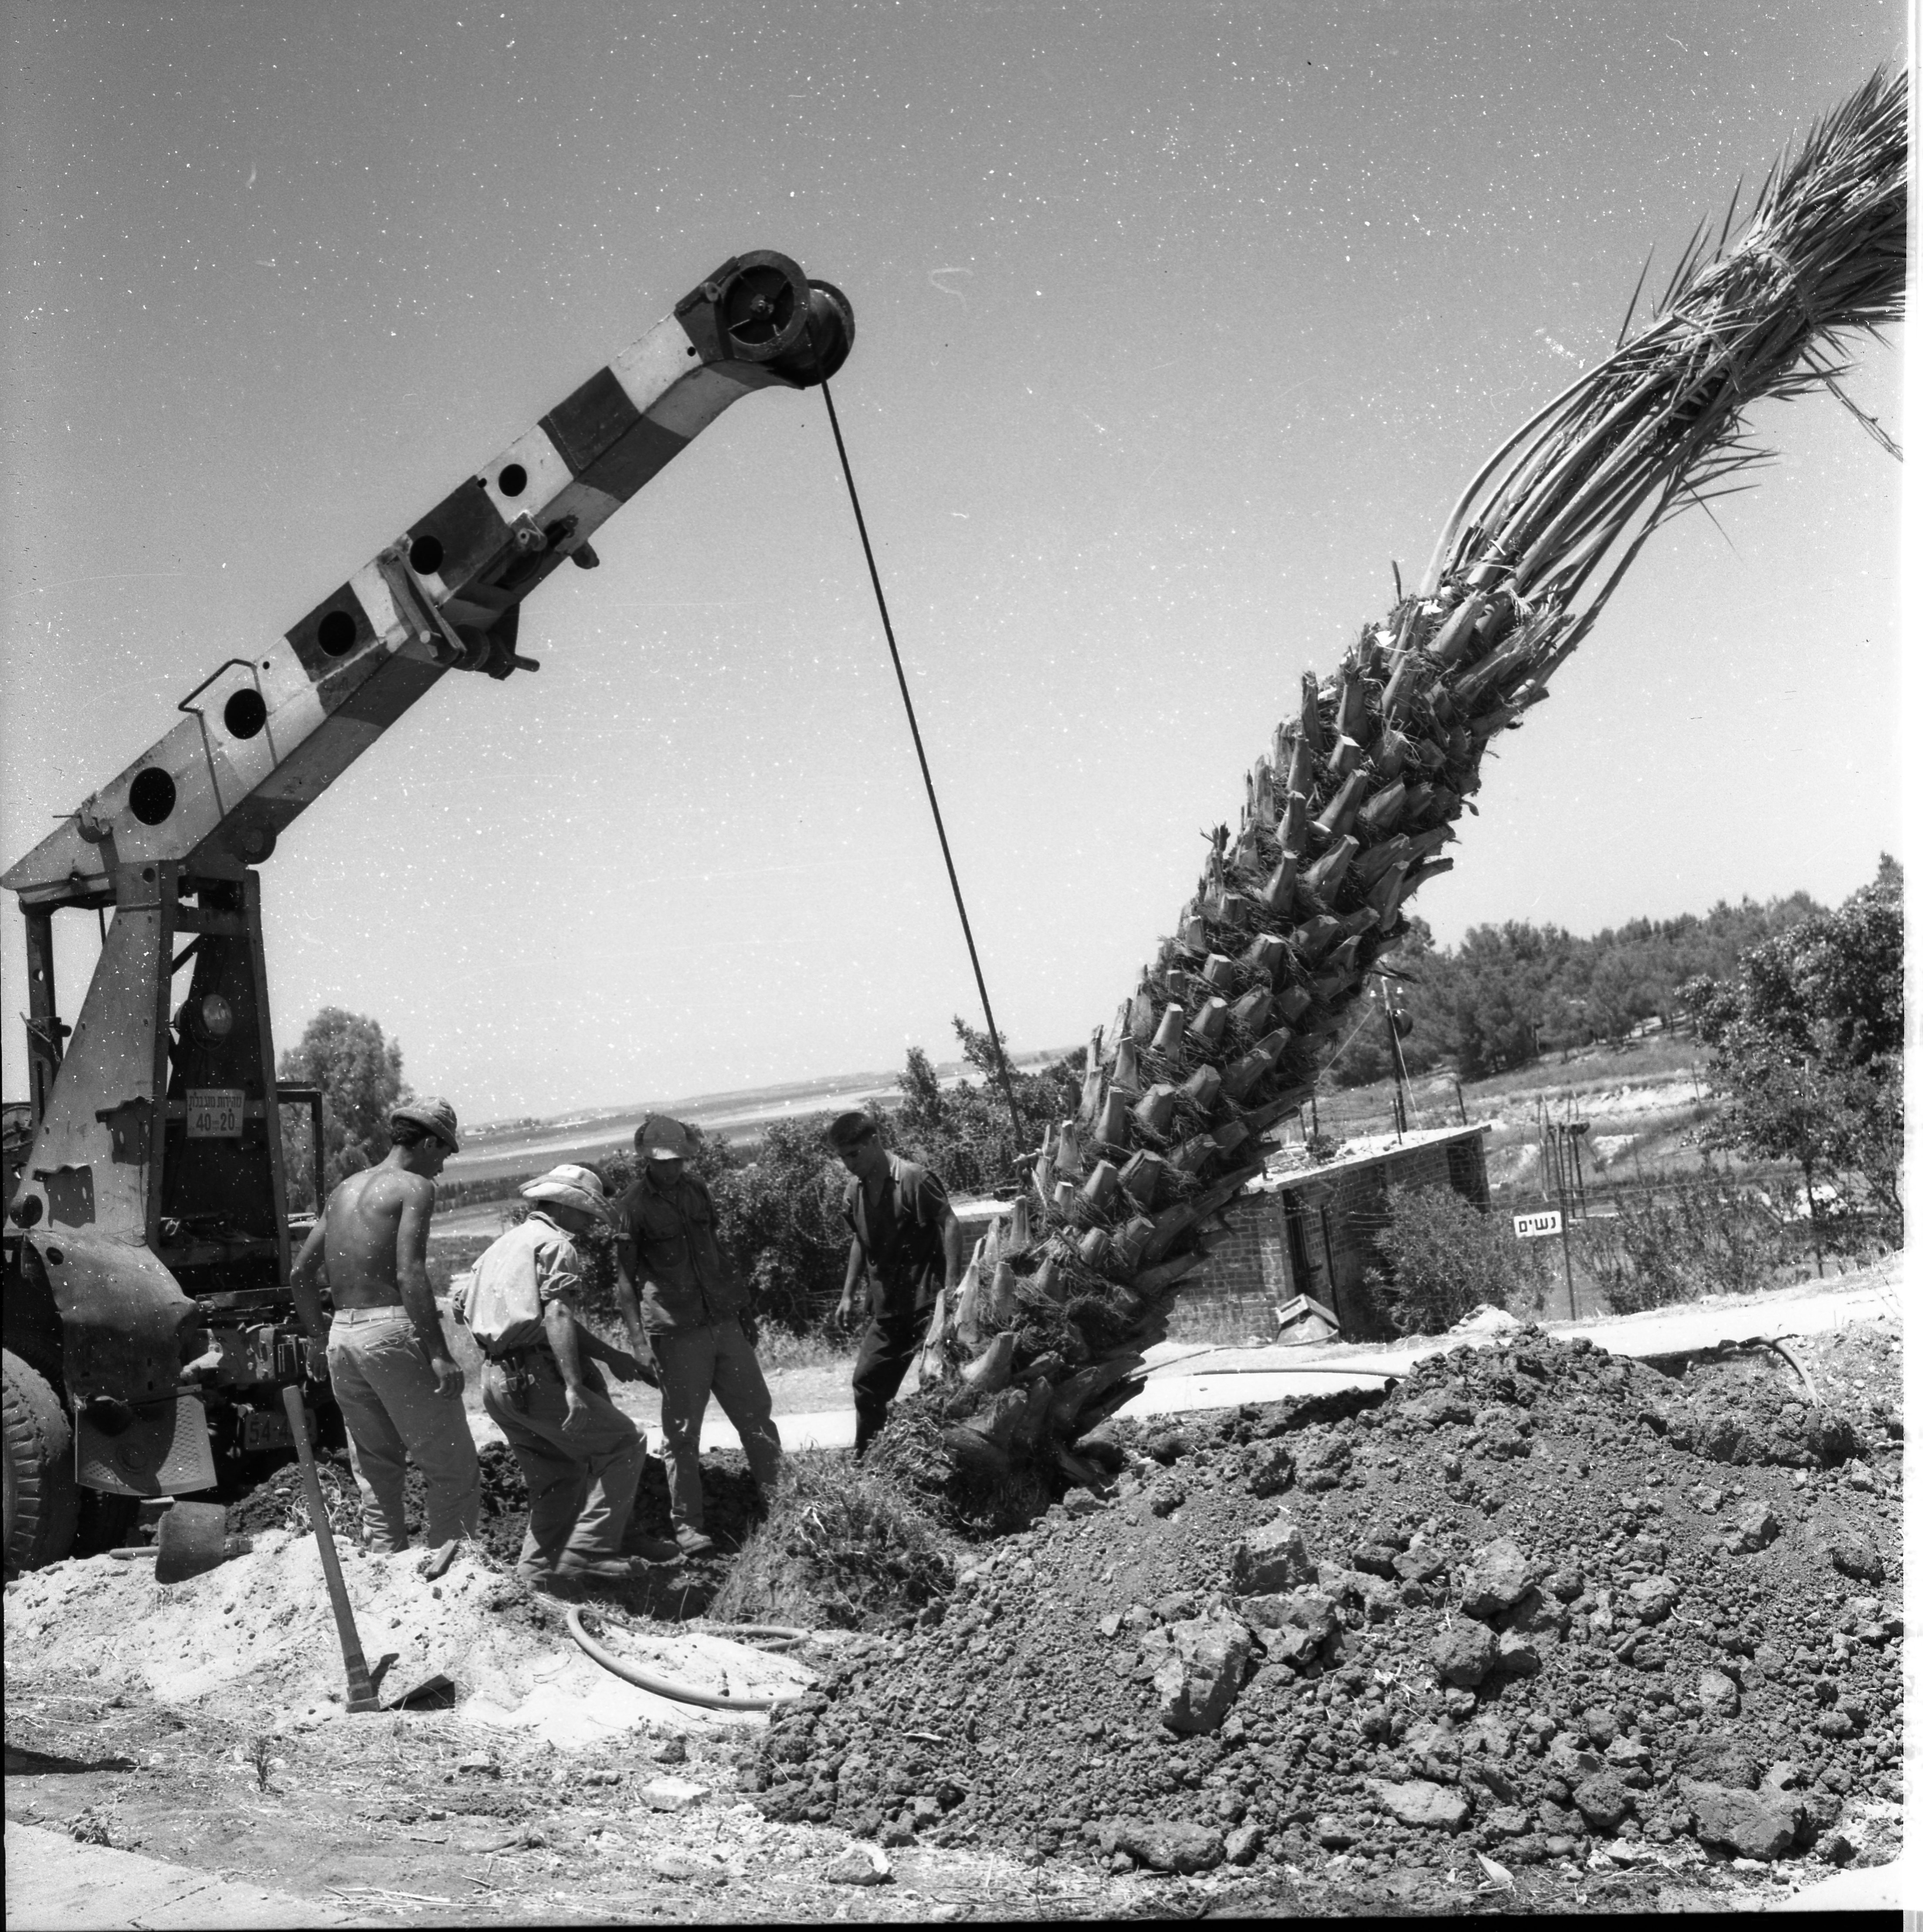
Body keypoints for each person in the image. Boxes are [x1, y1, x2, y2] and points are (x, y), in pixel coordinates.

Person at [458, 1163, 677, 1586]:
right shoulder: (556, 1245)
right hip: (538, 1378)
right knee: (626, 1443)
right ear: (564, 1205)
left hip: (497, 1379)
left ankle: (535, 1579)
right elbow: (558, 1312)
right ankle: (589, 1552)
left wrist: (610, 1354)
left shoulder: (503, 1246)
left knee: (557, 1478)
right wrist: (574, 1386)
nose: (590, 1222)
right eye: (586, 1213)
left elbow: (464, 1306)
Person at [288, 1097, 480, 1578]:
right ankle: (453, 1584)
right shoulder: (414, 1187)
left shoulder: (344, 1190)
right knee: (453, 1469)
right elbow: (410, 1271)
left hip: (343, 1337)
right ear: (430, 1141)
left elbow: (300, 1274)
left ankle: (387, 1578)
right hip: (390, 1332)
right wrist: (439, 1353)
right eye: (445, 1151)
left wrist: (316, 1337)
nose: (444, 1163)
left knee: (376, 1468)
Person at [611, 1117, 782, 1557]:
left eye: (680, 1161)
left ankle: (781, 1507)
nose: (673, 1169)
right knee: (683, 1433)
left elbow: (719, 1252)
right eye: (664, 1162)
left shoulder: (696, 1190)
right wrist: (638, 1342)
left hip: (723, 1320)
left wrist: (744, 1309)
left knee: (758, 1418)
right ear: (647, 1159)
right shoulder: (632, 1205)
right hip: (676, 1330)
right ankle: (688, 1527)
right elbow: (625, 1280)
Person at [828, 1111, 964, 1457]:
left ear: (874, 1141)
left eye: (854, 1154)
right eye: (842, 1157)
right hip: (887, 1309)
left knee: (941, 1382)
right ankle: (869, 1460)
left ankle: (947, 1458)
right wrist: (848, 1294)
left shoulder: (913, 1178)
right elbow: (861, 1240)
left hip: (927, 1305)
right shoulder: (853, 1192)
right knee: (867, 1383)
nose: (848, 1164)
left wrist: (950, 1291)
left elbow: (949, 1221)